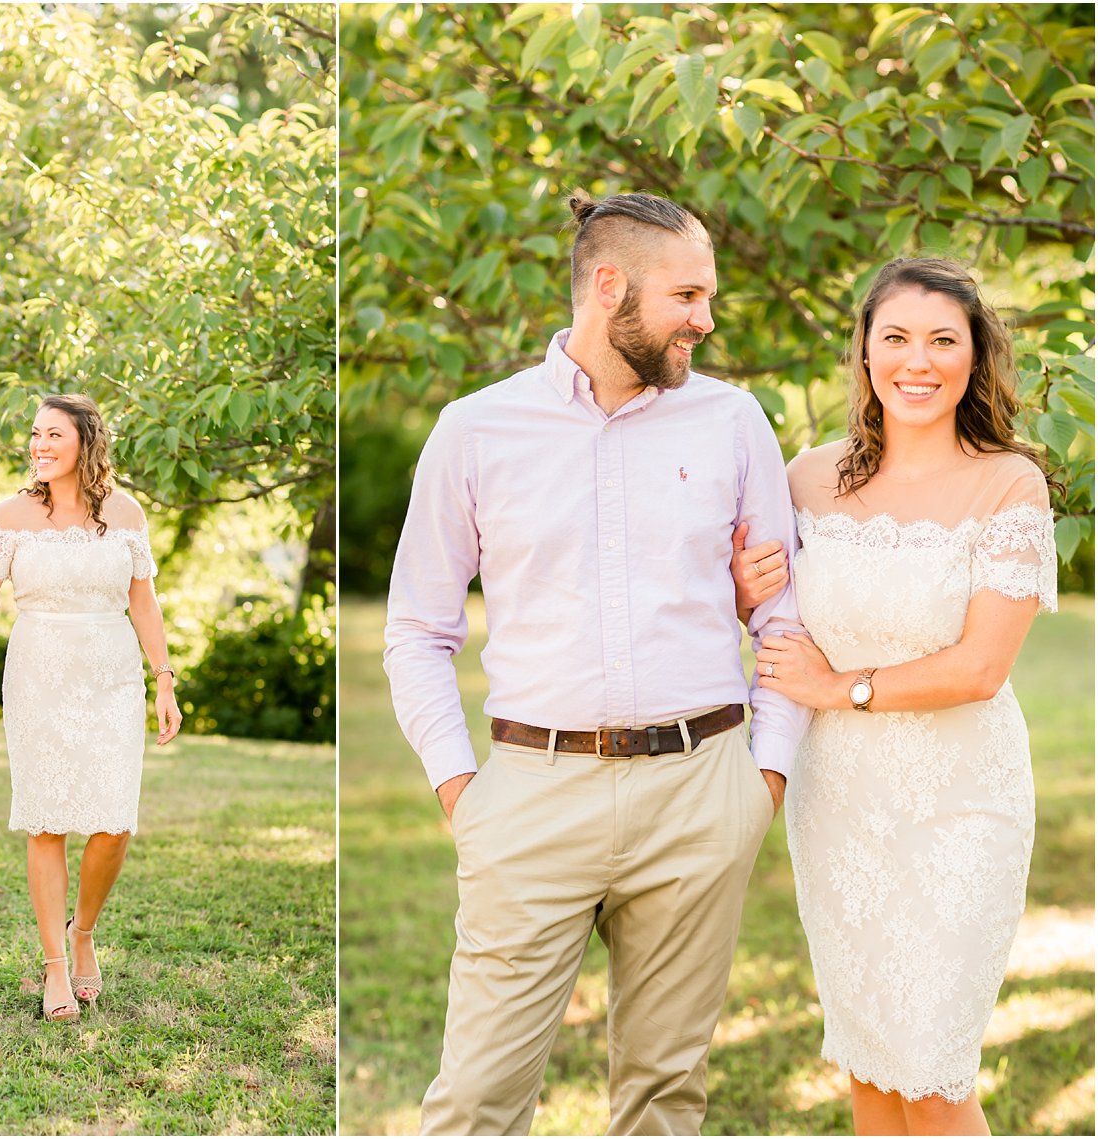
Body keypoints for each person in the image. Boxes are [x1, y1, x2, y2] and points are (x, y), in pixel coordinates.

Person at [384, 192, 811, 1136]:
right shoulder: (475, 428)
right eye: (688, 294)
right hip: (533, 796)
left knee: (665, 1097)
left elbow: (781, 613)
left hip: (703, 791)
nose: (706, 318)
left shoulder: (734, 422)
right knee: (476, 1101)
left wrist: (763, 780)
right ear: (609, 286)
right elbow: (417, 626)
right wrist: (463, 789)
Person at [731, 257, 1057, 1136]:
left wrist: (838, 686)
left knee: (934, 1070)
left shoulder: (1009, 483)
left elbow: (982, 666)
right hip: (839, 807)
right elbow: (760, 616)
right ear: (867, 354)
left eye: (944, 340)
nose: (920, 361)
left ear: (975, 355)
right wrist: (740, 589)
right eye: (898, 338)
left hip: (961, 803)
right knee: (871, 1061)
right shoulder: (804, 479)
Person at [0, 392, 181, 1023]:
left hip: (112, 673)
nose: (41, 445)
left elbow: (144, 604)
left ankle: (84, 932)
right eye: (36, 435)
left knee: (114, 822)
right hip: (38, 670)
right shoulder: (11, 515)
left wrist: (165, 678)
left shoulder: (125, 513)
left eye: (55, 436)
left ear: (85, 444)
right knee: (46, 820)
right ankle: (54, 967)